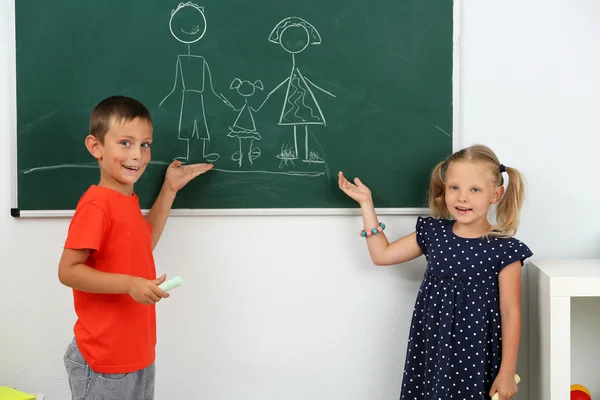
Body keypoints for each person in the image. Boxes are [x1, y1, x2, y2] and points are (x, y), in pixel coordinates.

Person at [338, 144, 533, 400]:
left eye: (475, 189)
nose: (462, 197)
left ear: (495, 195)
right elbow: (381, 255)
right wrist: (366, 204)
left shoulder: (505, 250)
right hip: (432, 350)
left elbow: (510, 312)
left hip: (476, 355)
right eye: (454, 188)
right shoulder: (434, 233)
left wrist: (507, 372)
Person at [58, 95, 213, 400]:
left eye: (145, 144)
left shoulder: (126, 201)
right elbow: (68, 271)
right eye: (126, 143)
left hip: (136, 352)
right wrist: (130, 284)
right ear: (96, 147)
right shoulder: (97, 204)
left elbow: (146, 240)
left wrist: (169, 189)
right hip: (105, 359)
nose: (138, 155)